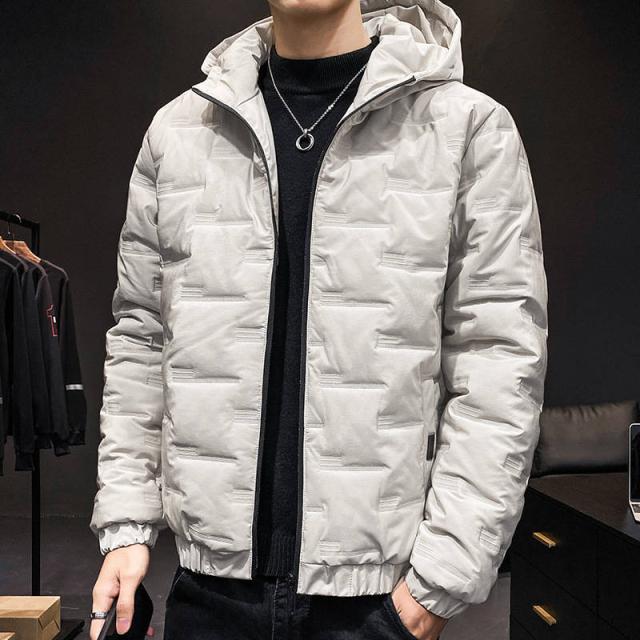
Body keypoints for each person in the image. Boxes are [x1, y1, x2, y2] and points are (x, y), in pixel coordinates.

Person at [88, 0, 548, 638]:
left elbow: (498, 359)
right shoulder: (179, 132)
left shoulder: (466, 128)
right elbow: (142, 337)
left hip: (376, 601)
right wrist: (127, 522)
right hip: (209, 592)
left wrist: (438, 582)